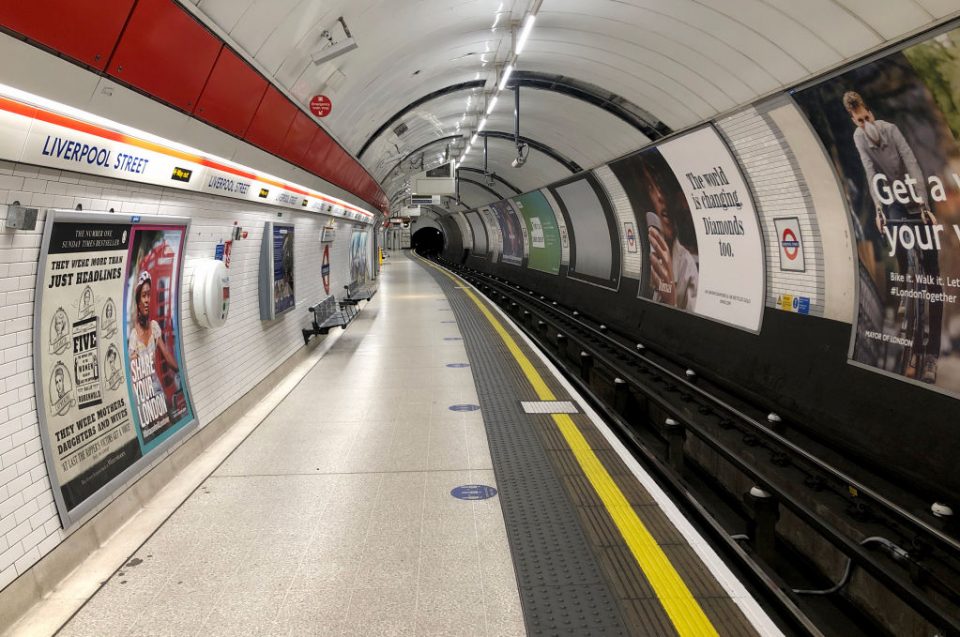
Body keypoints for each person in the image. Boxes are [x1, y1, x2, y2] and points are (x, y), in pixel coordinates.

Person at [843, 90, 942, 382]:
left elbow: (911, 162)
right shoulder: (859, 138)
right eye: (858, 121)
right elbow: (871, 172)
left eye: (866, 117)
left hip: (916, 192)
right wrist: (879, 208)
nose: (864, 124)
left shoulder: (891, 130)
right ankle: (911, 345)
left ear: (870, 111)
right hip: (895, 200)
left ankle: (931, 355)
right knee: (902, 250)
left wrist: (923, 203)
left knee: (933, 276)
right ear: (853, 119)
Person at [642, 162, 698, 311]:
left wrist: (670, 301)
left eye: (662, 190)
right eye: (650, 188)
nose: (660, 197)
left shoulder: (685, 263)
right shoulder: (641, 251)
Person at [128, 270, 178, 387]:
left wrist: (179, 370)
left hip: (156, 385)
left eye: (149, 295)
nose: (147, 300)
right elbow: (134, 371)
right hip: (143, 390)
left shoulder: (154, 327)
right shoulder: (134, 336)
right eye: (144, 295)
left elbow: (166, 353)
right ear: (138, 301)